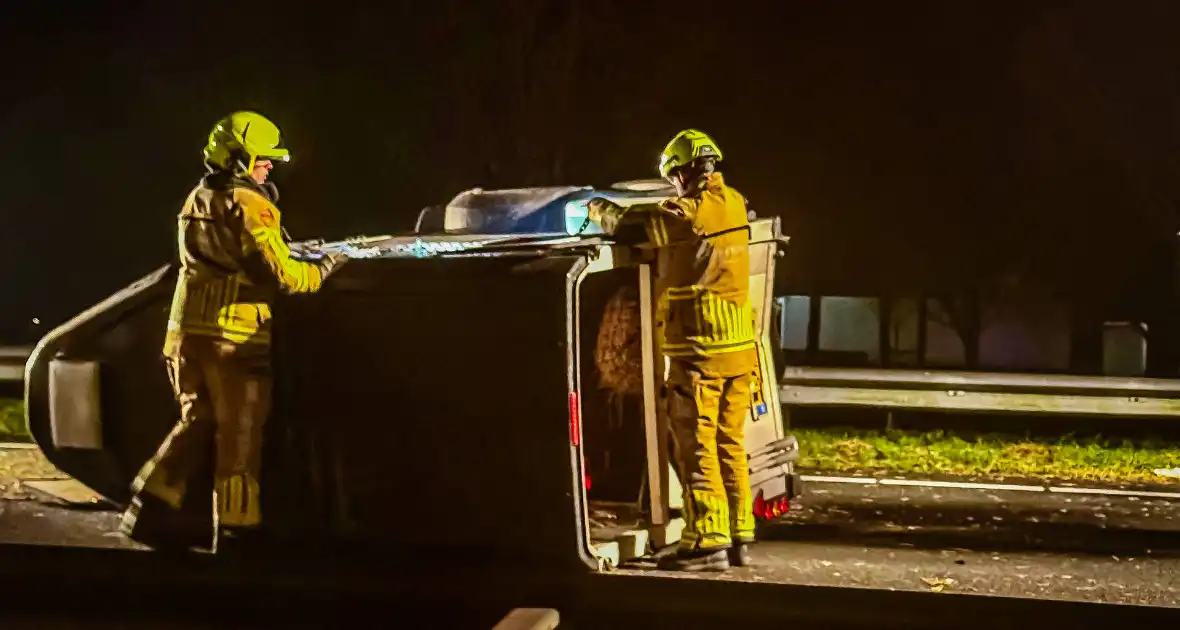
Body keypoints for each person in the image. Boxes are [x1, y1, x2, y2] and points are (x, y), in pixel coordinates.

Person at [120, 111, 347, 552]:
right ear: (240, 158)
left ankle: (148, 507)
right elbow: (282, 275)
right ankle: (237, 531)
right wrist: (324, 267)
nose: (270, 167)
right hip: (235, 337)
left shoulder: (196, 199)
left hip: (185, 333)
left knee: (195, 420)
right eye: (264, 159)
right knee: (239, 435)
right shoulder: (251, 205)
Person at [588, 129, 758, 572]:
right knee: (730, 445)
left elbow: (629, 227)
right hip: (739, 352)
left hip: (699, 353)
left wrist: (595, 208)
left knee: (696, 449)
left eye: (673, 178)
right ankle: (740, 536)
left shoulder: (686, 214)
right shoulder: (735, 202)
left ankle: (707, 543)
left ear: (683, 172)